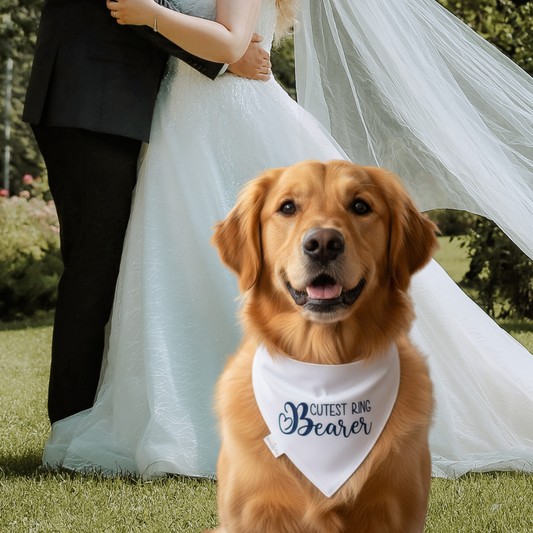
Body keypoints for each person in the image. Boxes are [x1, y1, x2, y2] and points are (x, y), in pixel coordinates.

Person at [41, 0, 533, 480]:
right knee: (185, 271)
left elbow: (232, 39)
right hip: (185, 121)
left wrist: (153, 14)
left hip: (226, 116)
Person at [22, 0, 272, 426]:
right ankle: (70, 423)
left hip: (112, 101)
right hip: (92, 97)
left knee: (108, 267)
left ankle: (87, 415)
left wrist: (224, 52)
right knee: (94, 268)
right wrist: (226, 59)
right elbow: (130, 4)